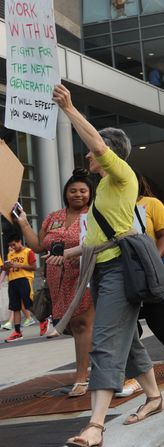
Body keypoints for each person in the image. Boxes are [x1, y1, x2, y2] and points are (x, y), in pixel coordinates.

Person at [52, 84, 163, 447]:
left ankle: (95, 425)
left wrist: (69, 109)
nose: (87, 155)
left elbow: (98, 145)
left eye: (93, 150)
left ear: (110, 153)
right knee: (128, 340)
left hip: (120, 271)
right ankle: (155, 397)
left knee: (103, 343)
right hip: (103, 269)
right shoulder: (102, 188)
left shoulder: (122, 175)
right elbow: (96, 240)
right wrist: (64, 254)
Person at [16, 168, 96, 396]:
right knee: (72, 326)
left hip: (84, 276)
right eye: (73, 191)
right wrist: (23, 223)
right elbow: (39, 246)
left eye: (83, 191)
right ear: (66, 193)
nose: (78, 195)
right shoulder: (53, 217)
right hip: (56, 280)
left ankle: (82, 377)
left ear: (90, 194)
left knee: (82, 325)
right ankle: (96, 367)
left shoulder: (94, 215)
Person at [117, 173, 164, 398]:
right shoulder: (111, 206)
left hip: (149, 272)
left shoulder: (151, 204)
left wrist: (155, 260)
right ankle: (136, 372)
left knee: (157, 319)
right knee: (127, 325)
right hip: (120, 273)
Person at [1, 234, 38, 343]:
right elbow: (7, 270)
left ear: (19, 241)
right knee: (15, 307)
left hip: (24, 279)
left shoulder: (28, 252)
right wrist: (6, 267)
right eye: (10, 245)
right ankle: (17, 332)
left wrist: (19, 265)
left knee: (28, 304)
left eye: (14, 244)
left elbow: (34, 267)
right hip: (12, 281)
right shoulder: (10, 254)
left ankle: (43, 319)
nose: (12, 247)